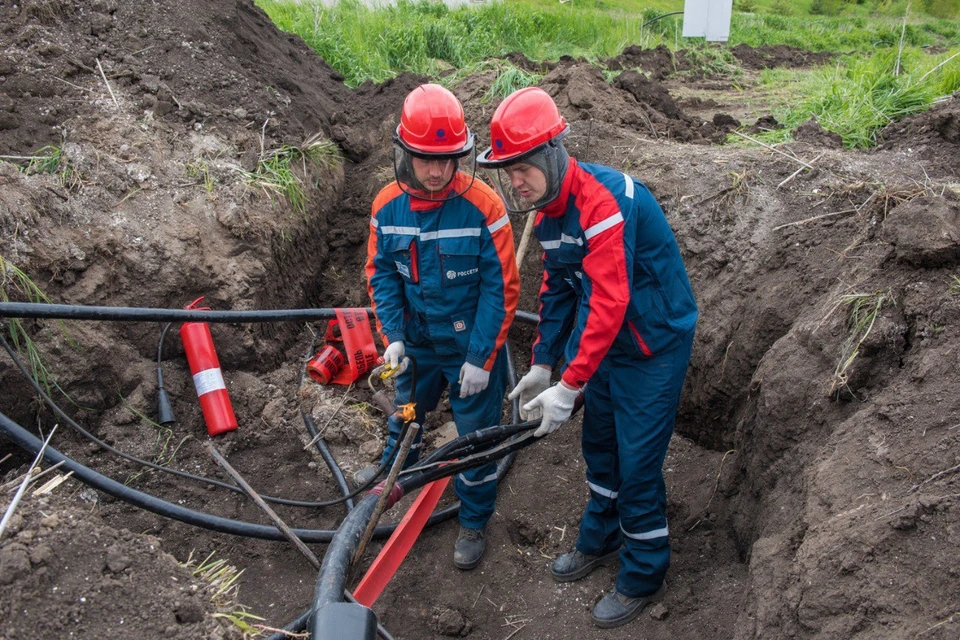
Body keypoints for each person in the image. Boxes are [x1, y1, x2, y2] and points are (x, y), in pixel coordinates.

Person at [476, 87, 698, 628]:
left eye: (522, 167)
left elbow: (609, 300)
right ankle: (599, 540)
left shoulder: (605, 200)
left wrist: (570, 385)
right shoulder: (550, 212)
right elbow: (557, 291)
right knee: (600, 446)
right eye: (508, 172)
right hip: (609, 346)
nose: (515, 181)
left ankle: (643, 573)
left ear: (553, 152)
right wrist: (544, 365)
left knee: (638, 464)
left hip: (652, 345)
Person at [360, 83, 520, 570]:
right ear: (404, 153)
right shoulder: (386, 206)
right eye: (426, 158)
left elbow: (503, 290)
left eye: (447, 159)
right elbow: (381, 274)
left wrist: (480, 359)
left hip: (469, 344)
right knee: (407, 411)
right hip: (418, 344)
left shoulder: (484, 207)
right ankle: (396, 470)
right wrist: (394, 339)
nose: (437, 170)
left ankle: (473, 520)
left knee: (477, 440)